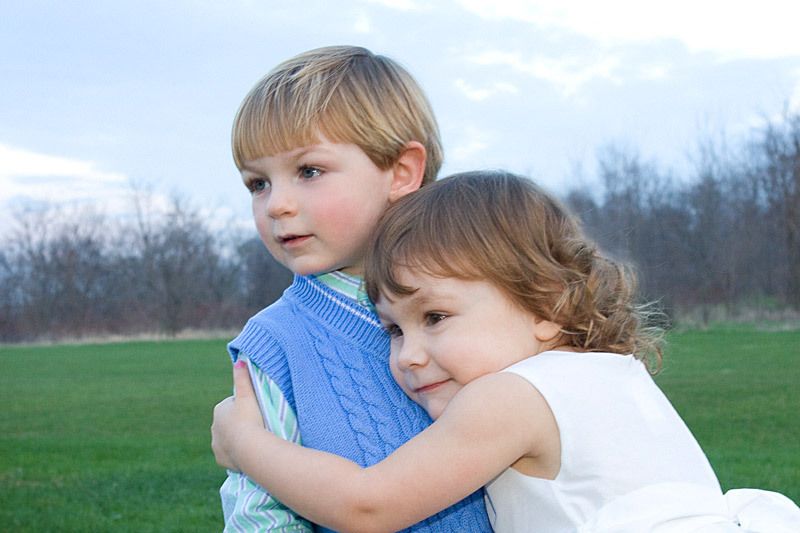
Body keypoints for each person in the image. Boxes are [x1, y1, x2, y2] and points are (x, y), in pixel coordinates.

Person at [213, 171, 800, 532]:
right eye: (393, 329)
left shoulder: (510, 397)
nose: (409, 355)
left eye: (435, 317)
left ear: (545, 306)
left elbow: (368, 505)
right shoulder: (612, 374)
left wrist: (247, 444)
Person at [214, 46, 491, 532]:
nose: (276, 204)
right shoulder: (274, 345)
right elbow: (260, 515)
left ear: (402, 172)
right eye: (258, 184)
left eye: (309, 171)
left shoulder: (482, 291)